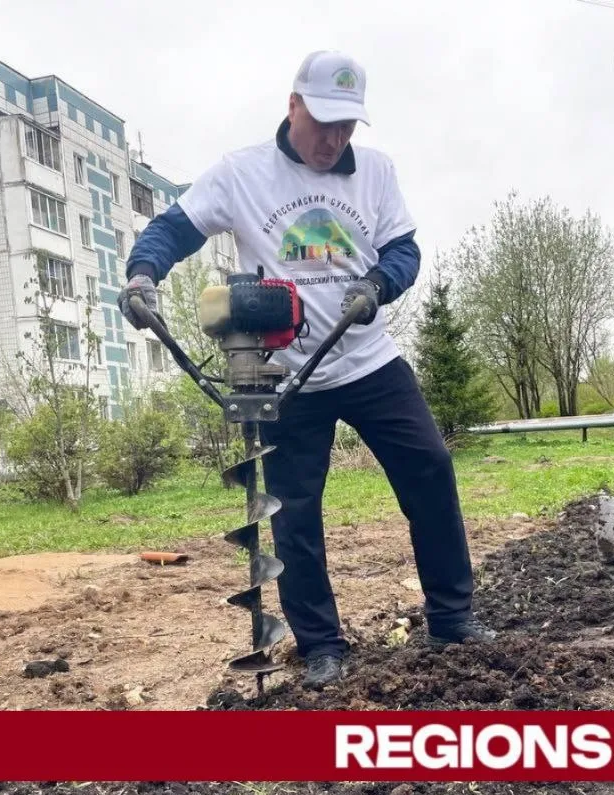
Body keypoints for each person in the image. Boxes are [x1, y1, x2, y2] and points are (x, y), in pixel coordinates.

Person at [118, 50, 495, 688]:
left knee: (429, 470)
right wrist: (142, 273)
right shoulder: (242, 174)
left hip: (370, 360)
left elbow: (404, 247)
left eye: (347, 126)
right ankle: (322, 646)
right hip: (287, 373)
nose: (334, 139)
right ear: (293, 105)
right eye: (324, 123)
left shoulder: (376, 171)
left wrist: (379, 282)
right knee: (293, 511)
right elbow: (173, 228)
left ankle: (452, 618)